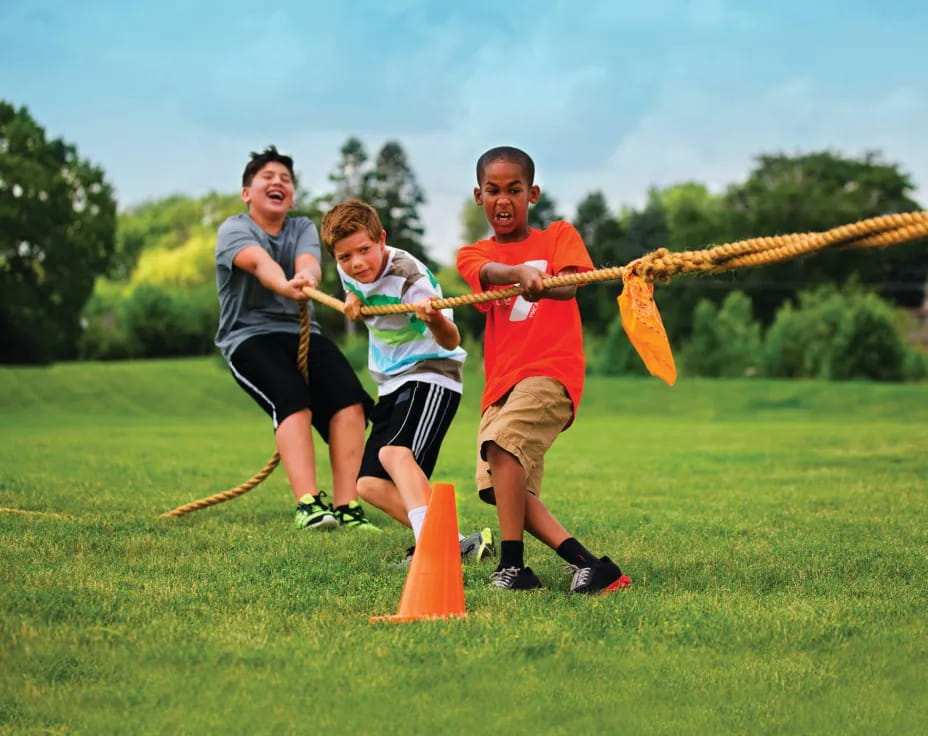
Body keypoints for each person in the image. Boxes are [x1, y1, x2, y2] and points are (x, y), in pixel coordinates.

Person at [456, 146, 632, 594]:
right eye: (493, 190)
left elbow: (571, 284)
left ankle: (512, 568)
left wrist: (541, 285)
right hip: (500, 386)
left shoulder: (558, 236)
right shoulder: (472, 253)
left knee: (502, 444)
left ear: (532, 193)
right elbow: (487, 270)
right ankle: (591, 567)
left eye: (514, 190)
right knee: (504, 488)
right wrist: (516, 273)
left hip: (550, 373)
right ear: (478, 196)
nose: (503, 200)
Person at [320, 199, 495, 564]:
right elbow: (355, 283)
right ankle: (459, 543)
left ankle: (432, 551)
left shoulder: (409, 278)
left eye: (365, 250)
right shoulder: (348, 269)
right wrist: (350, 296)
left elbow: (451, 340)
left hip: (432, 374)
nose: (357, 263)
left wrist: (432, 319)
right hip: (391, 382)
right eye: (345, 257)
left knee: (394, 453)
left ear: (381, 239)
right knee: (368, 485)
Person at [214, 146, 379, 531]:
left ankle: (347, 506)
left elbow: (308, 262)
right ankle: (308, 504)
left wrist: (306, 278)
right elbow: (259, 263)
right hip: (249, 337)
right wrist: (286, 285)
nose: (278, 183)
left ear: (292, 194)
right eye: (268, 178)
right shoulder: (234, 229)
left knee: (350, 402)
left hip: (302, 334)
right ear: (247, 193)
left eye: (285, 180)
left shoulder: (303, 227)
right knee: (292, 399)